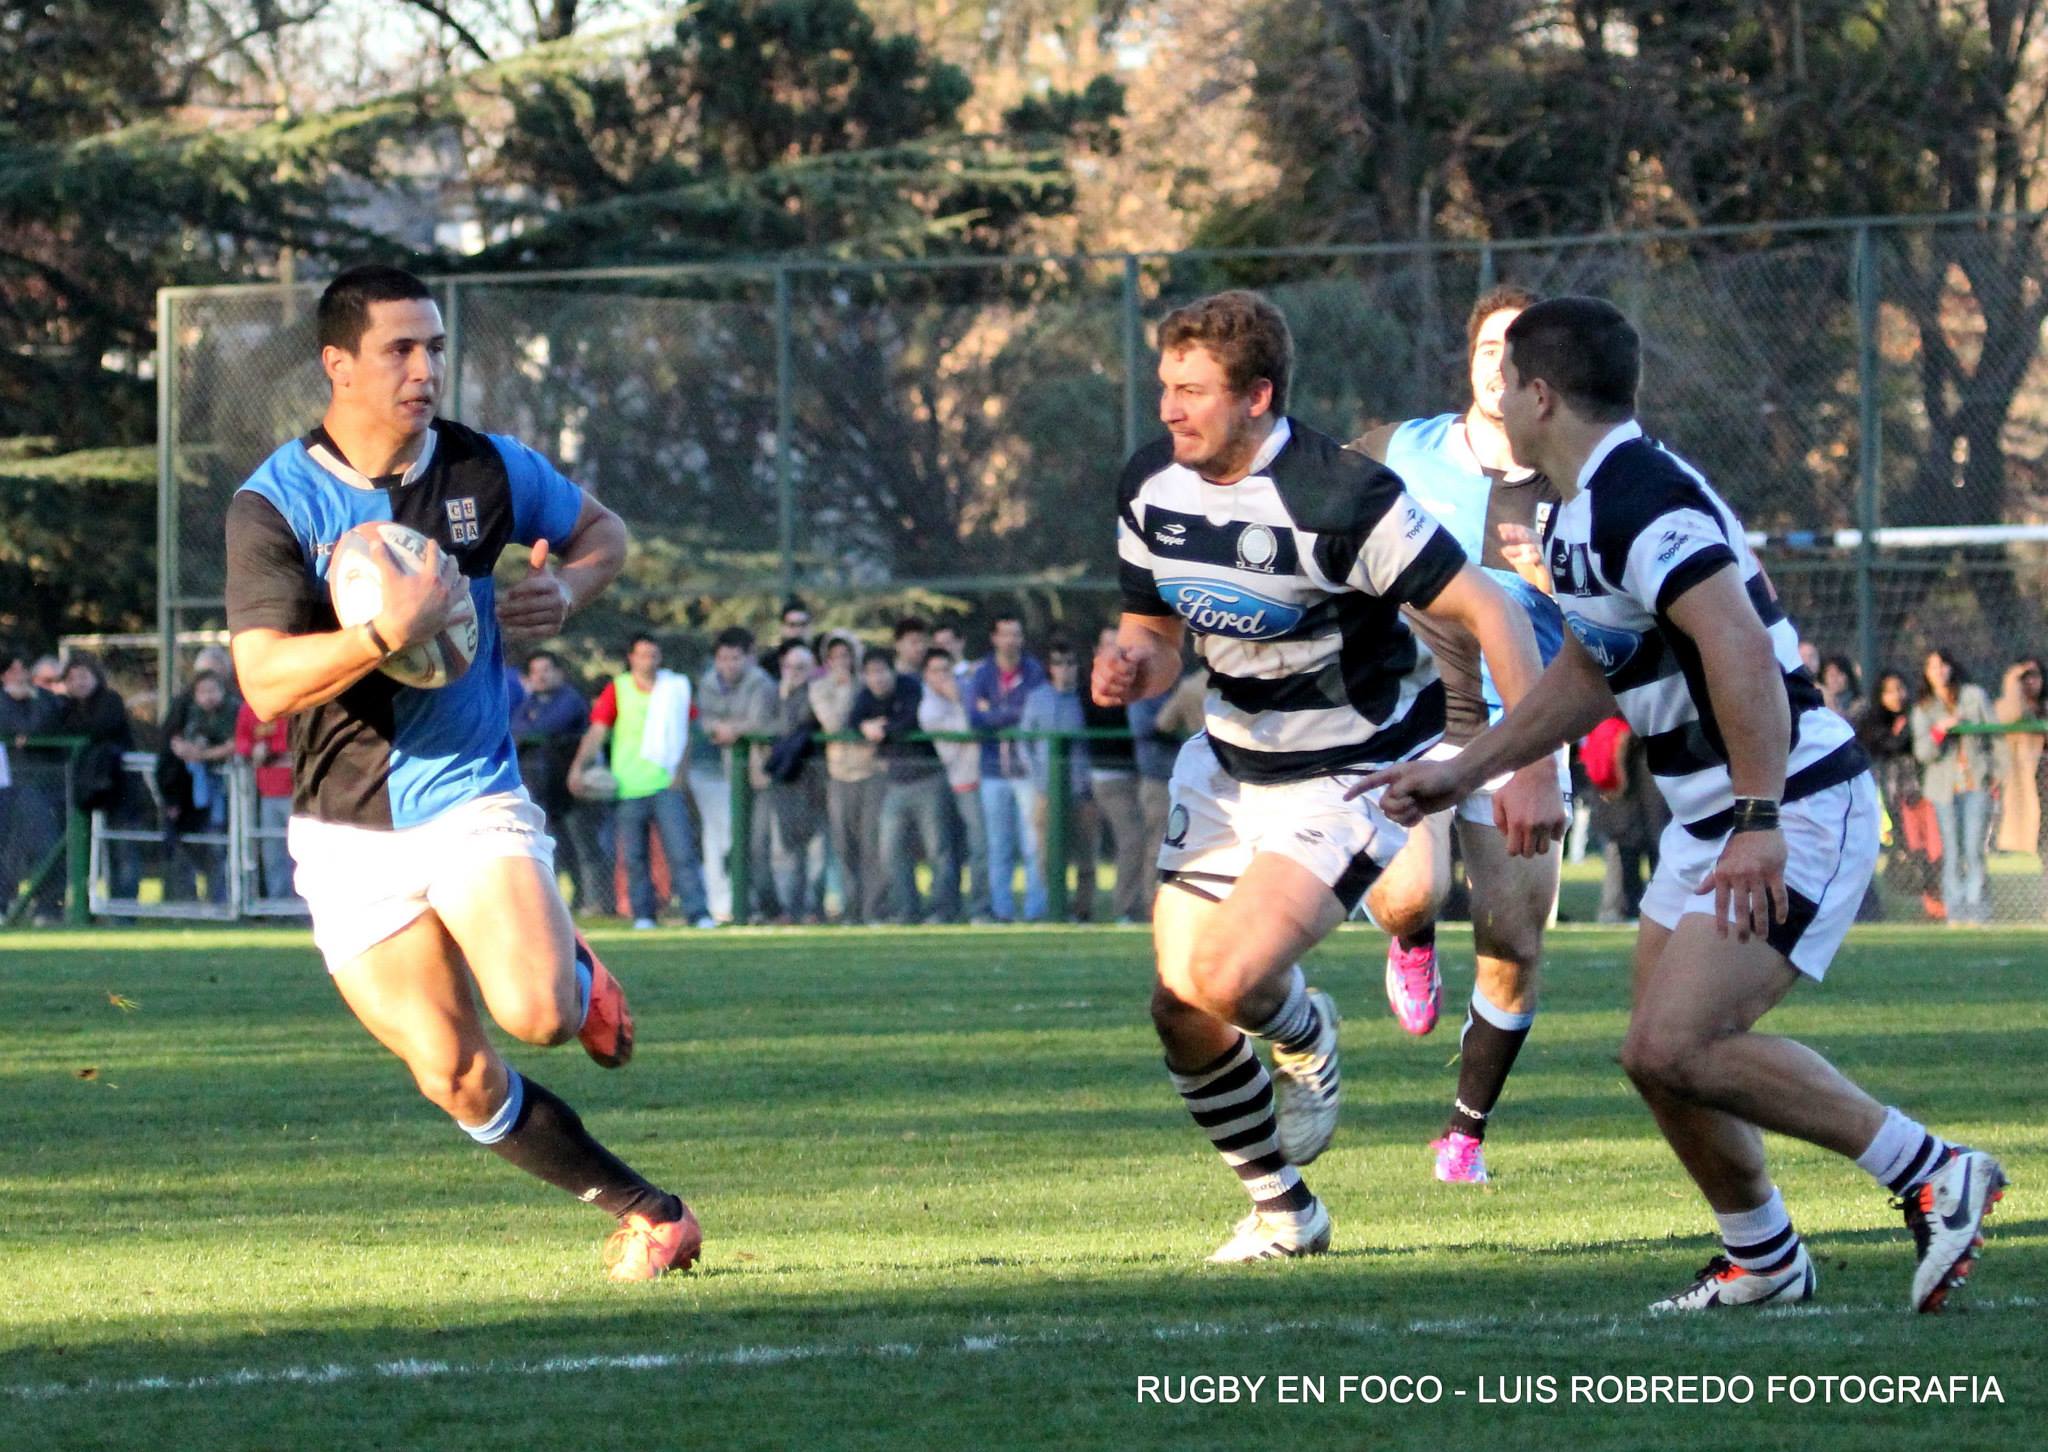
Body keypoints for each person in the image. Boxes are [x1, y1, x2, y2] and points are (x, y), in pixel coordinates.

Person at [1359, 295, 2005, 1313]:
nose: (1490, 399)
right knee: (1656, 1061)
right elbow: (1591, 669)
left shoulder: (1636, 500)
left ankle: (1928, 1167)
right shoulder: (1576, 509)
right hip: (1717, 813)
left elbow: (1738, 649)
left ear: (1538, 395)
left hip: (1791, 804)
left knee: (1676, 1044)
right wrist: (1466, 765)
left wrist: (1753, 820)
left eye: (1504, 381)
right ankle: (1762, 1255)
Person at [223, 263, 698, 1280]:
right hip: (342, 832)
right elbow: (262, 683)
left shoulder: (485, 466)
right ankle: (648, 1213)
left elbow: (602, 533)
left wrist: (565, 589)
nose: (423, 369)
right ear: (337, 365)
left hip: (467, 793)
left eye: (433, 348)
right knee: (454, 1074)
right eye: (399, 349)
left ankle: (570, 968)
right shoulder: (273, 505)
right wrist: (380, 636)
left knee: (535, 1015)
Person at [1096, 289, 1561, 1262]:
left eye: (1193, 391)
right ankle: (1284, 1211)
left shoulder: (1342, 496)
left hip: (1352, 766)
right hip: (1226, 759)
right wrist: (1133, 661)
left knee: (1231, 973)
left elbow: (1493, 611)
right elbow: (1152, 625)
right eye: (1164, 389)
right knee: (1178, 1004)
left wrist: (1519, 764)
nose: (1170, 410)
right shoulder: (1150, 484)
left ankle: (1305, 1031)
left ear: (1257, 396)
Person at [1347, 284, 1570, 1184]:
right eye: (1484, 347)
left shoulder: (1578, 480)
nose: (1496, 363)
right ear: (1470, 360)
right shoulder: (1401, 449)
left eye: (1513, 350)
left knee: (1514, 942)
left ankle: (1465, 1134)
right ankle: (1407, 939)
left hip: (1525, 730)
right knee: (1414, 890)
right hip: (1415, 716)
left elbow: (1630, 614)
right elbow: (1317, 513)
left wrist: (1556, 584)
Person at [573, 635, 712, 931]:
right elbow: (598, 731)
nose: (649, 660)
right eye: (643, 655)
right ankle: (644, 914)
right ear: (632, 658)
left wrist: (681, 775)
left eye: (654, 655)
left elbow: (687, 732)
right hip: (628, 785)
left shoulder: (673, 689)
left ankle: (698, 912)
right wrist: (578, 768)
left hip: (665, 784)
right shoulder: (618, 689)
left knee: (682, 852)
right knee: (634, 856)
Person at [854, 648, 958, 922]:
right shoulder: (865, 696)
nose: (877, 679)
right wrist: (865, 726)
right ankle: (906, 910)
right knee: (891, 851)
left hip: (928, 779)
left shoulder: (911, 688)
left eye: (881, 672)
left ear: (892, 670)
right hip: (895, 784)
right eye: (871, 673)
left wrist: (884, 730)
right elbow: (852, 720)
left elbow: (912, 719)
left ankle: (942, 911)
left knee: (938, 850)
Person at [691, 626, 777, 922]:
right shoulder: (708, 684)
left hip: (764, 776)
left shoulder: (761, 683)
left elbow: (760, 722)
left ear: (748, 657)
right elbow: (706, 722)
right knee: (730, 842)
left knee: (761, 844)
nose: (729, 665)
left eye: (735, 658)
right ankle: (740, 905)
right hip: (730, 776)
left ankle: (769, 906)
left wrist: (732, 729)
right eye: (723, 658)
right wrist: (725, 728)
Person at [969, 615, 1048, 922]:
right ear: (994, 638)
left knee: (1032, 844)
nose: (1012, 640)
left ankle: (1035, 912)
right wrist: (1009, 714)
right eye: (1006, 634)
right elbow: (975, 718)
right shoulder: (982, 674)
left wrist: (998, 712)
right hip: (992, 771)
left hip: (1026, 771)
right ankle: (1001, 911)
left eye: (1017, 634)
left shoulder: (1034, 672)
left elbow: (1033, 712)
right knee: (998, 846)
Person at [1911, 649, 1993, 925]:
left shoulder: (1973, 696)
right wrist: (1940, 730)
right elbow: (1923, 752)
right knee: (1953, 851)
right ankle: (1955, 911)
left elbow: (1995, 735)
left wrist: (1997, 773)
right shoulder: (1923, 708)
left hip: (1976, 782)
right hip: (1943, 789)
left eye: (1943, 665)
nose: (1939, 671)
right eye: (1933, 666)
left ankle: (1976, 909)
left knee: (1974, 848)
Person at [808, 634, 885, 922]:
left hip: (871, 772)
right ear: (827, 661)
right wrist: (842, 689)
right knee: (844, 846)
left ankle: (873, 910)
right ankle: (851, 910)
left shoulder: (866, 684)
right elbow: (835, 723)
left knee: (871, 845)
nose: (842, 662)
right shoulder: (819, 688)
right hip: (839, 774)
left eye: (846, 655)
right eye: (835, 656)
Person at [1020, 639, 1098, 920]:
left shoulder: (1087, 699)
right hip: (1047, 791)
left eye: (1070, 663)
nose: (1065, 669)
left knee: (1086, 855)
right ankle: (1057, 909)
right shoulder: (1037, 698)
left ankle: (1083, 912)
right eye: (1058, 663)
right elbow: (1025, 742)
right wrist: (1039, 780)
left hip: (1084, 791)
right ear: (1049, 668)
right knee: (1047, 856)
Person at [1857, 670, 1941, 919]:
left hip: (1923, 791)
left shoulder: (1916, 715)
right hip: (1894, 796)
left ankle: (1938, 906)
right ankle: (1924, 903)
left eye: (1900, 688)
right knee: (1911, 849)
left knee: (1934, 849)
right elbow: (1890, 745)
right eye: (1890, 691)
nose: (1897, 695)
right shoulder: (1874, 722)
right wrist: (1902, 732)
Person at [917, 646, 991, 921]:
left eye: (946, 670)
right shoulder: (929, 708)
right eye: (935, 671)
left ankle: (981, 909)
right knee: (945, 850)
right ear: (925, 675)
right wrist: (961, 702)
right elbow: (970, 730)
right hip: (956, 782)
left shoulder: (964, 692)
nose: (942, 677)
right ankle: (945, 908)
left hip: (978, 778)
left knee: (980, 847)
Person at [1086, 626, 1150, 923]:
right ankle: (1125, 908)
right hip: (1109, 775)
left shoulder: (1139, 683)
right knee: (1132, 839)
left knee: (1146, 840)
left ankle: (1141, 904)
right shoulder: (1095, 687)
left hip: (1139, 774)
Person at [163, 668, 239, 903]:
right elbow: (182, 741)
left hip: (229, 791)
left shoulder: (234, 710)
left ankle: (222, 899)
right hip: (194, 795)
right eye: (202, 691)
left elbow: (234, 743)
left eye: (212, 690)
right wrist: (187, 748)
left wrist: (202, 754)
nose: (208, 696)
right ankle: (192, 898)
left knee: (222, 844)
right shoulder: (191, 714)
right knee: (198, 844)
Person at [765, 641, 828, 921]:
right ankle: (791, 908)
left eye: (801, 667)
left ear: (813, 668)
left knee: (816, 851)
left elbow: (803, 722)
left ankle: (815, 909)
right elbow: (767, 727)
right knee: (787, 850)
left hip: (815, 782)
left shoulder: (817, 693)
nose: (794, 672)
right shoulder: (774, 695)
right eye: (789, 666)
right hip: (785, 783)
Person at [234, 692, 299, 905]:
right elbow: (241, 741)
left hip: (297, 793)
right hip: (267, 792)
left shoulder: (292, 703)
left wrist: (270, 750)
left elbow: (293, 742)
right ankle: (278, 903)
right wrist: (253, 749)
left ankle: (300, 906)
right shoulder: (250, 708)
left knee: (298, 850)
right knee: (272, 851)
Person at [1991, 657, 2043, 861]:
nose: (2030, 682)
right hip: (2027, 783)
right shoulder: (2006, 706)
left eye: (2034, 675)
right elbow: (2013, 712)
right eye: (2024, 677)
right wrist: (2014, 684)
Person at [1819, 654, 1862, 720]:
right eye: (1831, 675)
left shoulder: (1859, 705)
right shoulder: (1818, 702)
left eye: (1839, 674)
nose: (1834, 679)